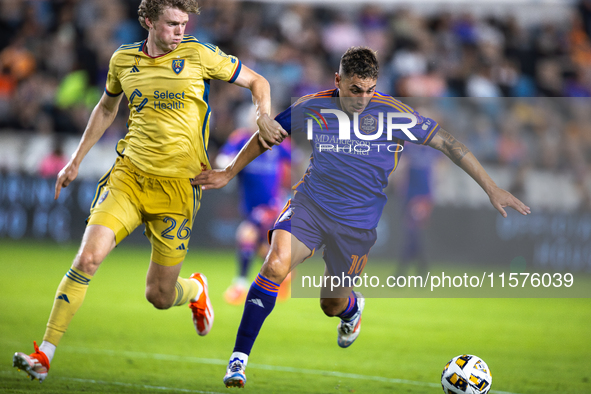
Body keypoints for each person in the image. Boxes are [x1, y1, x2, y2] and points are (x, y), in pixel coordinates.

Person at [193, 46, 531, 388]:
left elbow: (448, 143)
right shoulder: (312, 106)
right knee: (275, 264)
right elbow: (266, 137)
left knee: (330, 303)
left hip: (356, 224)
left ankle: (351, 310)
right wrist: (228, 172)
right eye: (355, 90)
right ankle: (239, 361)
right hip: (311, 205)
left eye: (370, 90)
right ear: (338, 80)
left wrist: (492, 187)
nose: (363, 99)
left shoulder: (394, 113)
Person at [12, 0, 286, 383]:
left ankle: (194, 290)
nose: (180, 31)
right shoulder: (123, 60)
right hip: (129, 177)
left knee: (159, 295)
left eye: (184, 24)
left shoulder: (199, 54)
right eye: (172, 24)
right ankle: (45, 353)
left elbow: (260, 81)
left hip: (180, 187)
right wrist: (76, 159)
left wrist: (261, 115)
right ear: (148, 21)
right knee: (87, 259)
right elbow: (107, 108)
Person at [216, 124, 290, 305]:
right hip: (249, 205)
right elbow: (222, 159)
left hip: (271, 204)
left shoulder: (278, 140)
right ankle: (285, 275)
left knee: (246, 234)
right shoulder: (241, 138)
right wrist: (228, 164)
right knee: (261, 248)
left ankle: (239, 286)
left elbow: (293, 159)